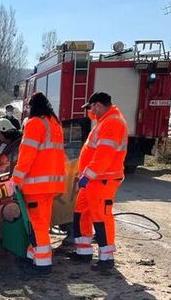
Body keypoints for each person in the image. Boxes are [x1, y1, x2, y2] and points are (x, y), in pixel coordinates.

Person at [68, 91, 128, 272]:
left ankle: (106, 258)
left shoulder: (112, 123)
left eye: (91, 107)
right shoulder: (105, 122)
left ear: (99, 105)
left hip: (102, 180)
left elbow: (104, 156)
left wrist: (87, 175)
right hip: (96, 180)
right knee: (81, 213)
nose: (90, 112)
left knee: (101, 217)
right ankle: (83, 251)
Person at [11, 92, 66, 275]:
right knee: (42, 222)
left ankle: (42, 264)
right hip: (51, 184)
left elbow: (27, 155)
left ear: (32, 107)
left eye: (27, 107)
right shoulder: (54, 124)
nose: (26, 110)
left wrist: (16, 179)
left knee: (37, 225)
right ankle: (33, 256)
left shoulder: (35, 124)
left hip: (36, 185)